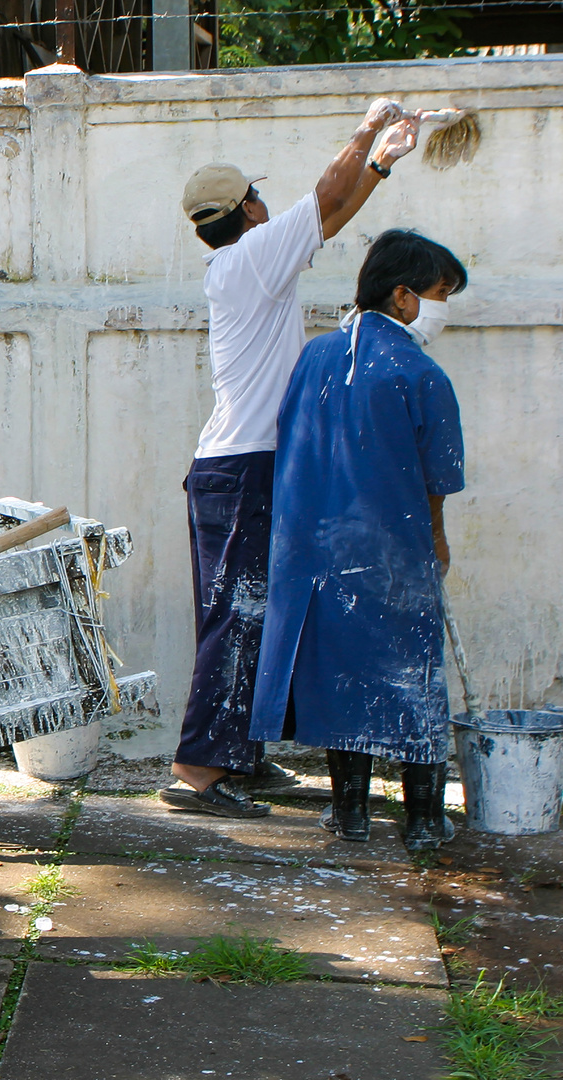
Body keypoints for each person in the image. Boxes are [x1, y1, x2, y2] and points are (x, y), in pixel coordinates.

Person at [159, 99, 420, 819]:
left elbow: (328, 215)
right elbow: (327, 200)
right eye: (257, 196)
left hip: (239, 465)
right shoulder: (253, 254)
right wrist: (370, 137)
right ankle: (198, 769)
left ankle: (240, 753)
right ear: (247, 208)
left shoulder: (247, 263)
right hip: (243, 467)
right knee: (235, 615)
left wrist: (378, 163)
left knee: (253, 613)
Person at [251, 230, 467, 851]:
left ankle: (349, 815)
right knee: (410, 679)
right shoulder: (420, 372)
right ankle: (424, 821)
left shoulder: (317, 356)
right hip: (391, 552)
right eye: (439, 293)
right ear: (403, 297)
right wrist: (437, 540)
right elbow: (438, 475)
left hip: (315, 554)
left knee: (340, 678)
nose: (442, 305)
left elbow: (289, 442)